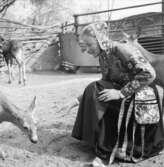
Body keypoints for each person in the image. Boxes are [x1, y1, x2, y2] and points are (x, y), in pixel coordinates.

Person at [65, 22, 164, 166]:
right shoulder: (103, 55)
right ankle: (98, 140)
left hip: (141, 93)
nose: (86, 51)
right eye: (84, 47)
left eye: (89, 45)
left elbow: (149, 74)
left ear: (100, 40)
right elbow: (104, 82)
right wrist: (77, 100)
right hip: (123, 92)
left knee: (98, 90)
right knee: (94, 88)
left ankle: (107, 150)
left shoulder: (121, 49)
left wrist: (120, 93)